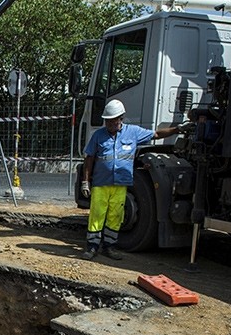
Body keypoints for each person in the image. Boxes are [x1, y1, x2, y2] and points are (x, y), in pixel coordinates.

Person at [80, 99, 189, 261]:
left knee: (115, 216)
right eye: (107, 121)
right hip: (101, 183)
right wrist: (85, 181)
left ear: (121, 119)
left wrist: (177, 129)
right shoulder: (98, 136)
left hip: (121, 184)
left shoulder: (133, 132)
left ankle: (109, 246)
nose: (109, 124)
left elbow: (156, 134)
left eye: (113, 120)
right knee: (97, 215)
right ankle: (92, 247)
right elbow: (89, 158)